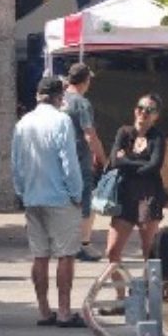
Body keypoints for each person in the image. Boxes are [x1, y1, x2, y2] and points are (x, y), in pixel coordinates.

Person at [11, 75, 85, 327]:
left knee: (39, 255)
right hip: (59, 197)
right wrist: (77, 193)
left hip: (33, 196)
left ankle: (44, 310)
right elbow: (69, 162)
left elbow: (16, 164)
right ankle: (64, 311)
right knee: (66, 254)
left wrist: (22, 192)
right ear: (58, 97)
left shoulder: (23, 123)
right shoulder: (62, 121)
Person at [102, 93, 168, 308]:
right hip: (125, 195)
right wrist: (138, 164)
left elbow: (155, 165)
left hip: (148, 196)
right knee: (112, 250)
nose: (143, 113)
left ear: (156, 116)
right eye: (140, 108)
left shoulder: (157, 137)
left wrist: (127, 161)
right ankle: (121, 297)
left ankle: (150, 298)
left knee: (148, 249)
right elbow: (114, 160)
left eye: (149, 110)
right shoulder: (124, 132)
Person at [62, 63, 106, 262]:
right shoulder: (81, 103)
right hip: (79, 158)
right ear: (86, 81)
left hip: (59, 159)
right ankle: (83, 244)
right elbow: (89, 135)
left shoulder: (58, 100)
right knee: (85, 200)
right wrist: (103, 158)